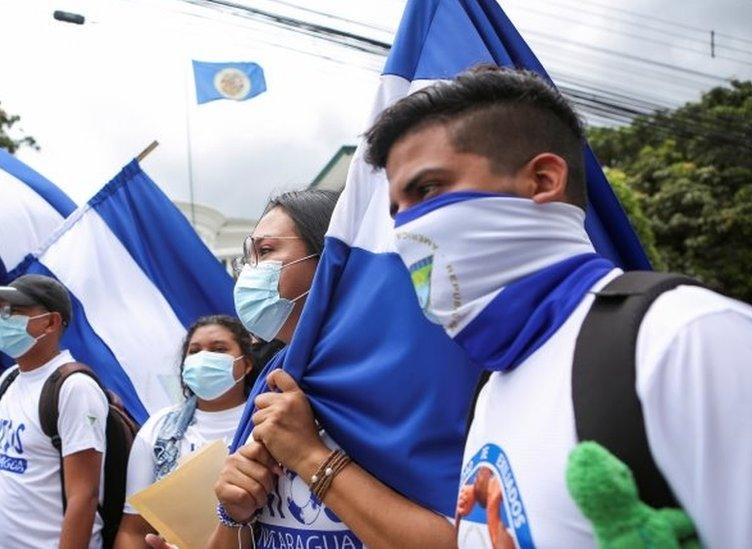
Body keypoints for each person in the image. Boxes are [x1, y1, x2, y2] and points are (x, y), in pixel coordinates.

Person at [364, 66, 752, 548]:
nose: (405, 229)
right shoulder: (494, 385)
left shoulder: (686, 338)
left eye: (427, 190)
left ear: (544, 179)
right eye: (397, 211)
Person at [187, 188, 457, 549]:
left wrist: (309, 456)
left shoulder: (410, 383)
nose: (249, 274)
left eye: (265, 252)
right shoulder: (274, 382)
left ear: (333, 260)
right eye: (247, 259)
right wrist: (235, 512)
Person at [0, 275, 109, 549]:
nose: (3, 320)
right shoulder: (11, 379)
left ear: (51, 322)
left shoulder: (73, 388)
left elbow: (84, 495)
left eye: (15, 311)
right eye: (1, 311)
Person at [114, 315, 258, 548]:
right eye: (195, 351)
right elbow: (133, 531)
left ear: (247, 363)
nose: (204, 358)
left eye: (219, 349)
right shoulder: (158, 429)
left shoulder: (268, 421)